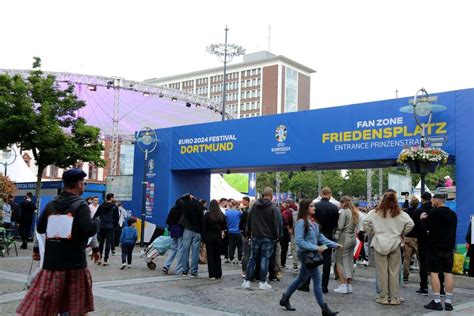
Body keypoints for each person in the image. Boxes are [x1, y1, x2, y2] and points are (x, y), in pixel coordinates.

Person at [16, 169, 99, 315]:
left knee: (49, 307)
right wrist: (96, 222)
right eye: (83, 183)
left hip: (52, 264)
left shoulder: (51, 205)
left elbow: (40, 228)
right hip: (74, 264)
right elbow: (89, 230)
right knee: (74, 309)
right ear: (79, 184)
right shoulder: (81, 205)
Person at [279, 199, 341, 315]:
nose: (314, 208)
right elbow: (299, 241)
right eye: (312, 206)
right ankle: (324, 308)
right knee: (317, 280)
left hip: (311, 255)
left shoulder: (314, 222)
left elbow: (321, 238)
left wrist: (335, 245)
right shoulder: (301, 222)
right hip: (306, 255)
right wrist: (316, 248)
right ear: (306, 208)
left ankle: (285, 298)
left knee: (301, 278)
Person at [362, 192, 414, 305]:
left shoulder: (375, 212)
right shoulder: (400, 213)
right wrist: (402, 233)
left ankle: (383, 297)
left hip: (379, 243)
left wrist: (372, 231)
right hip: (395, 243)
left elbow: (365, 222)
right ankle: (394, 297)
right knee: (394, 272)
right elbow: (411, 224)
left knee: (382, 272)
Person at [299, 187, 339, 293]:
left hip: (315, 237)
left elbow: (311, 220)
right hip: (328, 236)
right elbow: (335, 225)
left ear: (321, 194)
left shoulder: (315, 206)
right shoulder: (335, 208)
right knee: (327, 261)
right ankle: (324, 286)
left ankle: (306, 284)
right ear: (330, 195)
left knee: (311, 260)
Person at [422, 194, 457, 311]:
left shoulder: (433, 213)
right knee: (448, 273)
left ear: (437, 201)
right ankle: (448, 302)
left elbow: (427, 228)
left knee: (434, 273)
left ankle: (437, 301)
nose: (432, 203)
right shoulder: (453, 214)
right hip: (448, 248)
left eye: (433, 201)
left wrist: (423, 219)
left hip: (434, 247)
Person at [242, 187, 279, 290]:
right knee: (264, 258)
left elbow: (249, 220)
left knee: (252, 258)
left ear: (263, 195)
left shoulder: (254, 206)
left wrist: (248, 233)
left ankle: (247, 281)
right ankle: (262, 282)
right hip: (268, 237)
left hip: (255, 236)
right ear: (271, 196)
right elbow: (275, 223)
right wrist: (276, 236)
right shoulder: (272, 207)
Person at [413, 192, 445, 295]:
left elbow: (414, 227)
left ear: (422, 199)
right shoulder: (436, 211)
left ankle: (424, 287)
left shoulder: (418, 211)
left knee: (423, 264)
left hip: (423, 241)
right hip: (436, 241)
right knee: (438, 266)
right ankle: (441, 288)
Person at [334, 196, 359, 294]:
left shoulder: (344, 211)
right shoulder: (355, 212)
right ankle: (349, 285)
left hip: (344, 238)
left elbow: (340, 226)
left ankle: (343, 284)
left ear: (343, 203)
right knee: (349, 261)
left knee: (339, 261)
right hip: (353, 238)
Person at [177, 194, 204, 277]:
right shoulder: (200, 206)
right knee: (195, 252)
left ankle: (185, 270)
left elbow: (179, 199)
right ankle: (194, 271)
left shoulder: (186, 205)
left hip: (188, 230)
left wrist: (188, 195)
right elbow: (202, 219)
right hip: (198, 231)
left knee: (185, 250)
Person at [202, 199, 227, 279]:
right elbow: (225, 227)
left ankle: (212, 274)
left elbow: (203, 227)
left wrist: (203, 239)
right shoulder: (221, 215)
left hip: (209, 237)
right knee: (217, 256)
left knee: (210, 256)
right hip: (218, 238)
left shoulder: (207, 215)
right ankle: (218, 274)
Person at [93, 193, 119, 266]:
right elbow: (117, 218)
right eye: (113, 197)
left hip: (102, 226)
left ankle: (100, 259)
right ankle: (105, 260)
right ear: (111, 198)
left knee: (101, 243)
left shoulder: (101, 206)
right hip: (110, 227)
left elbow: (95, 215)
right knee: (108, 243)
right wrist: (115, 226)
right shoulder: (114, 207)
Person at [162, 197, 185, 274]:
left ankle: (166, 265)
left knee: (173, 249)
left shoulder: (172, 209)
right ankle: (179, 269)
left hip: (173, 231)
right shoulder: (183, 211)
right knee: (180, 250)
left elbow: (168, 221)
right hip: (181, 231)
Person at [402, 196, 420, 282]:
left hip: (408, 236)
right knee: (420, 258)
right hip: (417, 237)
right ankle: (423, 276)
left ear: (410, 203)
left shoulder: (406, 212)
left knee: (406, 258)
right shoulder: (420, 212)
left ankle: (405, 275)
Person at [226, 199, 243, 264]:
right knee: (239, 246)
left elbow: (226, 221)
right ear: (236, 205)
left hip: (230, 231)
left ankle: (231, 259)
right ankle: (239, 259)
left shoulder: (227, 212)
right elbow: (243, 215)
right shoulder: (238, 213)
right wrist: (239, 209)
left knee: (231, 246)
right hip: (238, 231)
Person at [280, 201, 294, 268]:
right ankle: (282, 263)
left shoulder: (278, 210)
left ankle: (279, 263)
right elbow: (286, 221)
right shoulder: (287, 212)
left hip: (278, 231)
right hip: (284, 231)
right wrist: (289, 229)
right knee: (284, 248)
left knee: (279, 248)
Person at [240, 197, 251, 277]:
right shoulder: (255, 212)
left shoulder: (245, 212)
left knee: (246, 253)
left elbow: (240, 224)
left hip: (246, 235)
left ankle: (244, 271)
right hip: (255, 235)